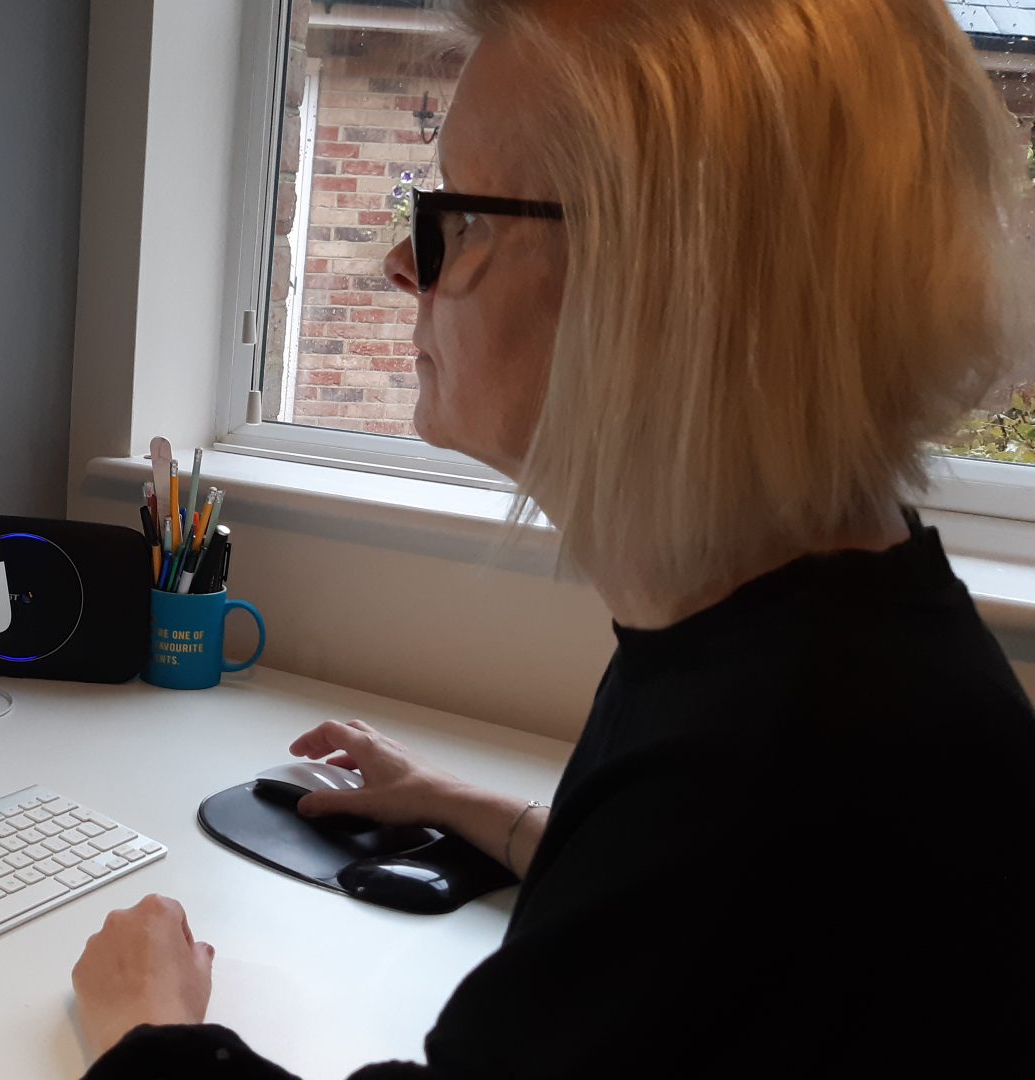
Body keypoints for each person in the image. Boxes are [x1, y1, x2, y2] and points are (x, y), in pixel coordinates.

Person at [70, 0, 1035, 1075]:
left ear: (666, 285)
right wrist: (467, 807)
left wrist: (151, 1032)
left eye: (459, 224)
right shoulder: (818, 640)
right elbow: (672, 935)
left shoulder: (791, 775)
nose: (403, 263)